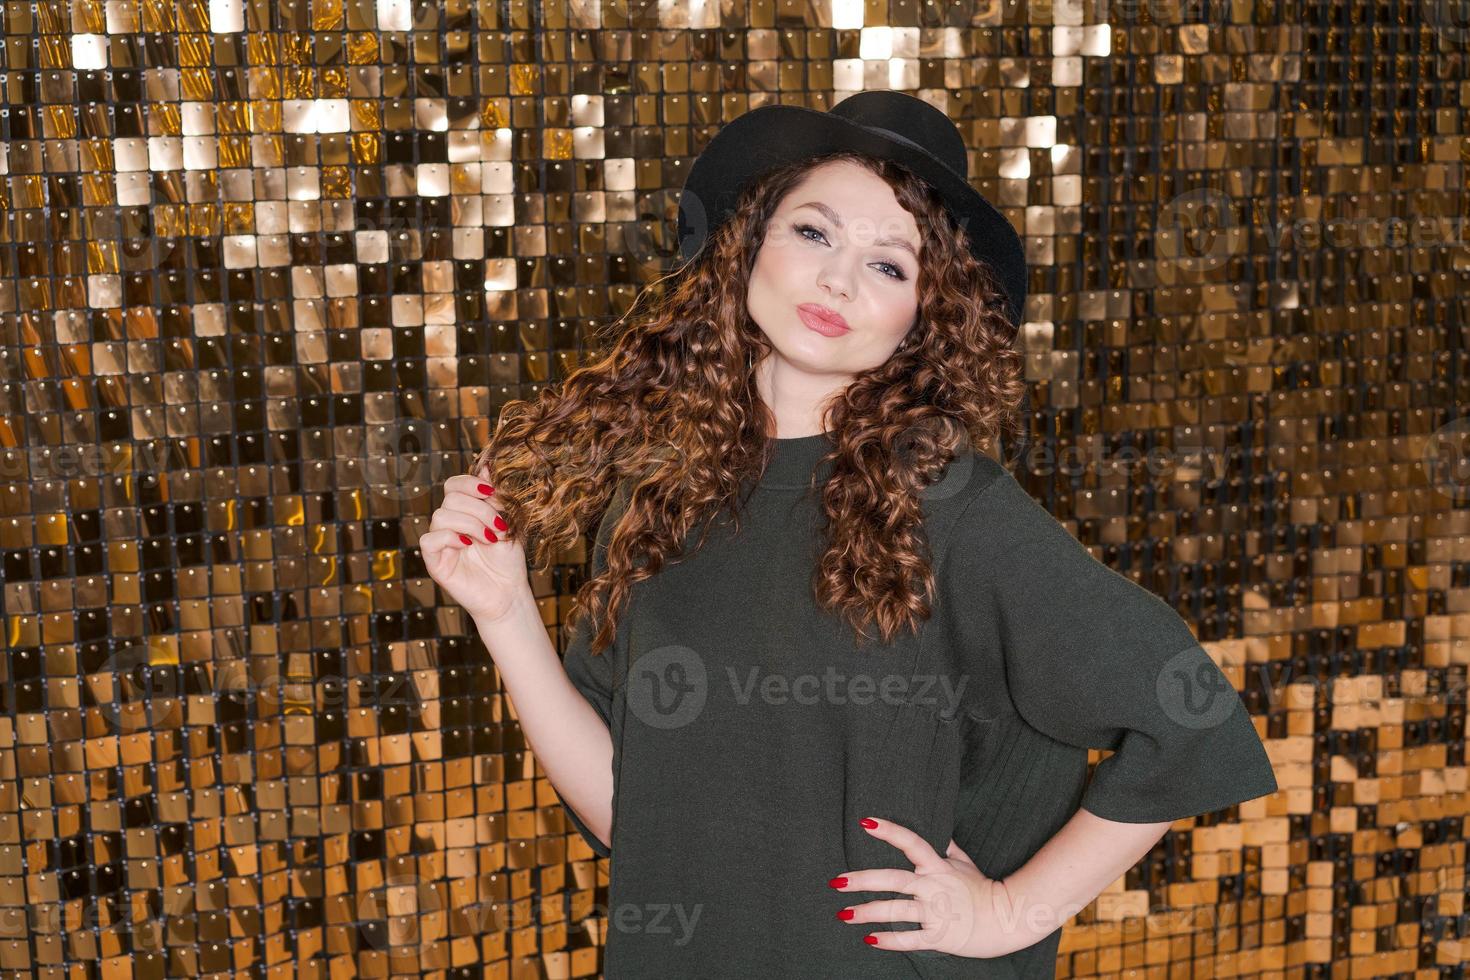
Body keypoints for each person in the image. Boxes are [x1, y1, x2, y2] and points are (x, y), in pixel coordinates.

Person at [421, 91, 1277, 978]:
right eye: (815, 233)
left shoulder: (952, 507)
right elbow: (637, 821)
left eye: (890, 266)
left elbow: (1189, 714)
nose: (838, 282)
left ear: (924, 314)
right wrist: (506, 614)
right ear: (748, 242)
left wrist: (1010, 911)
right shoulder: (657, 494)